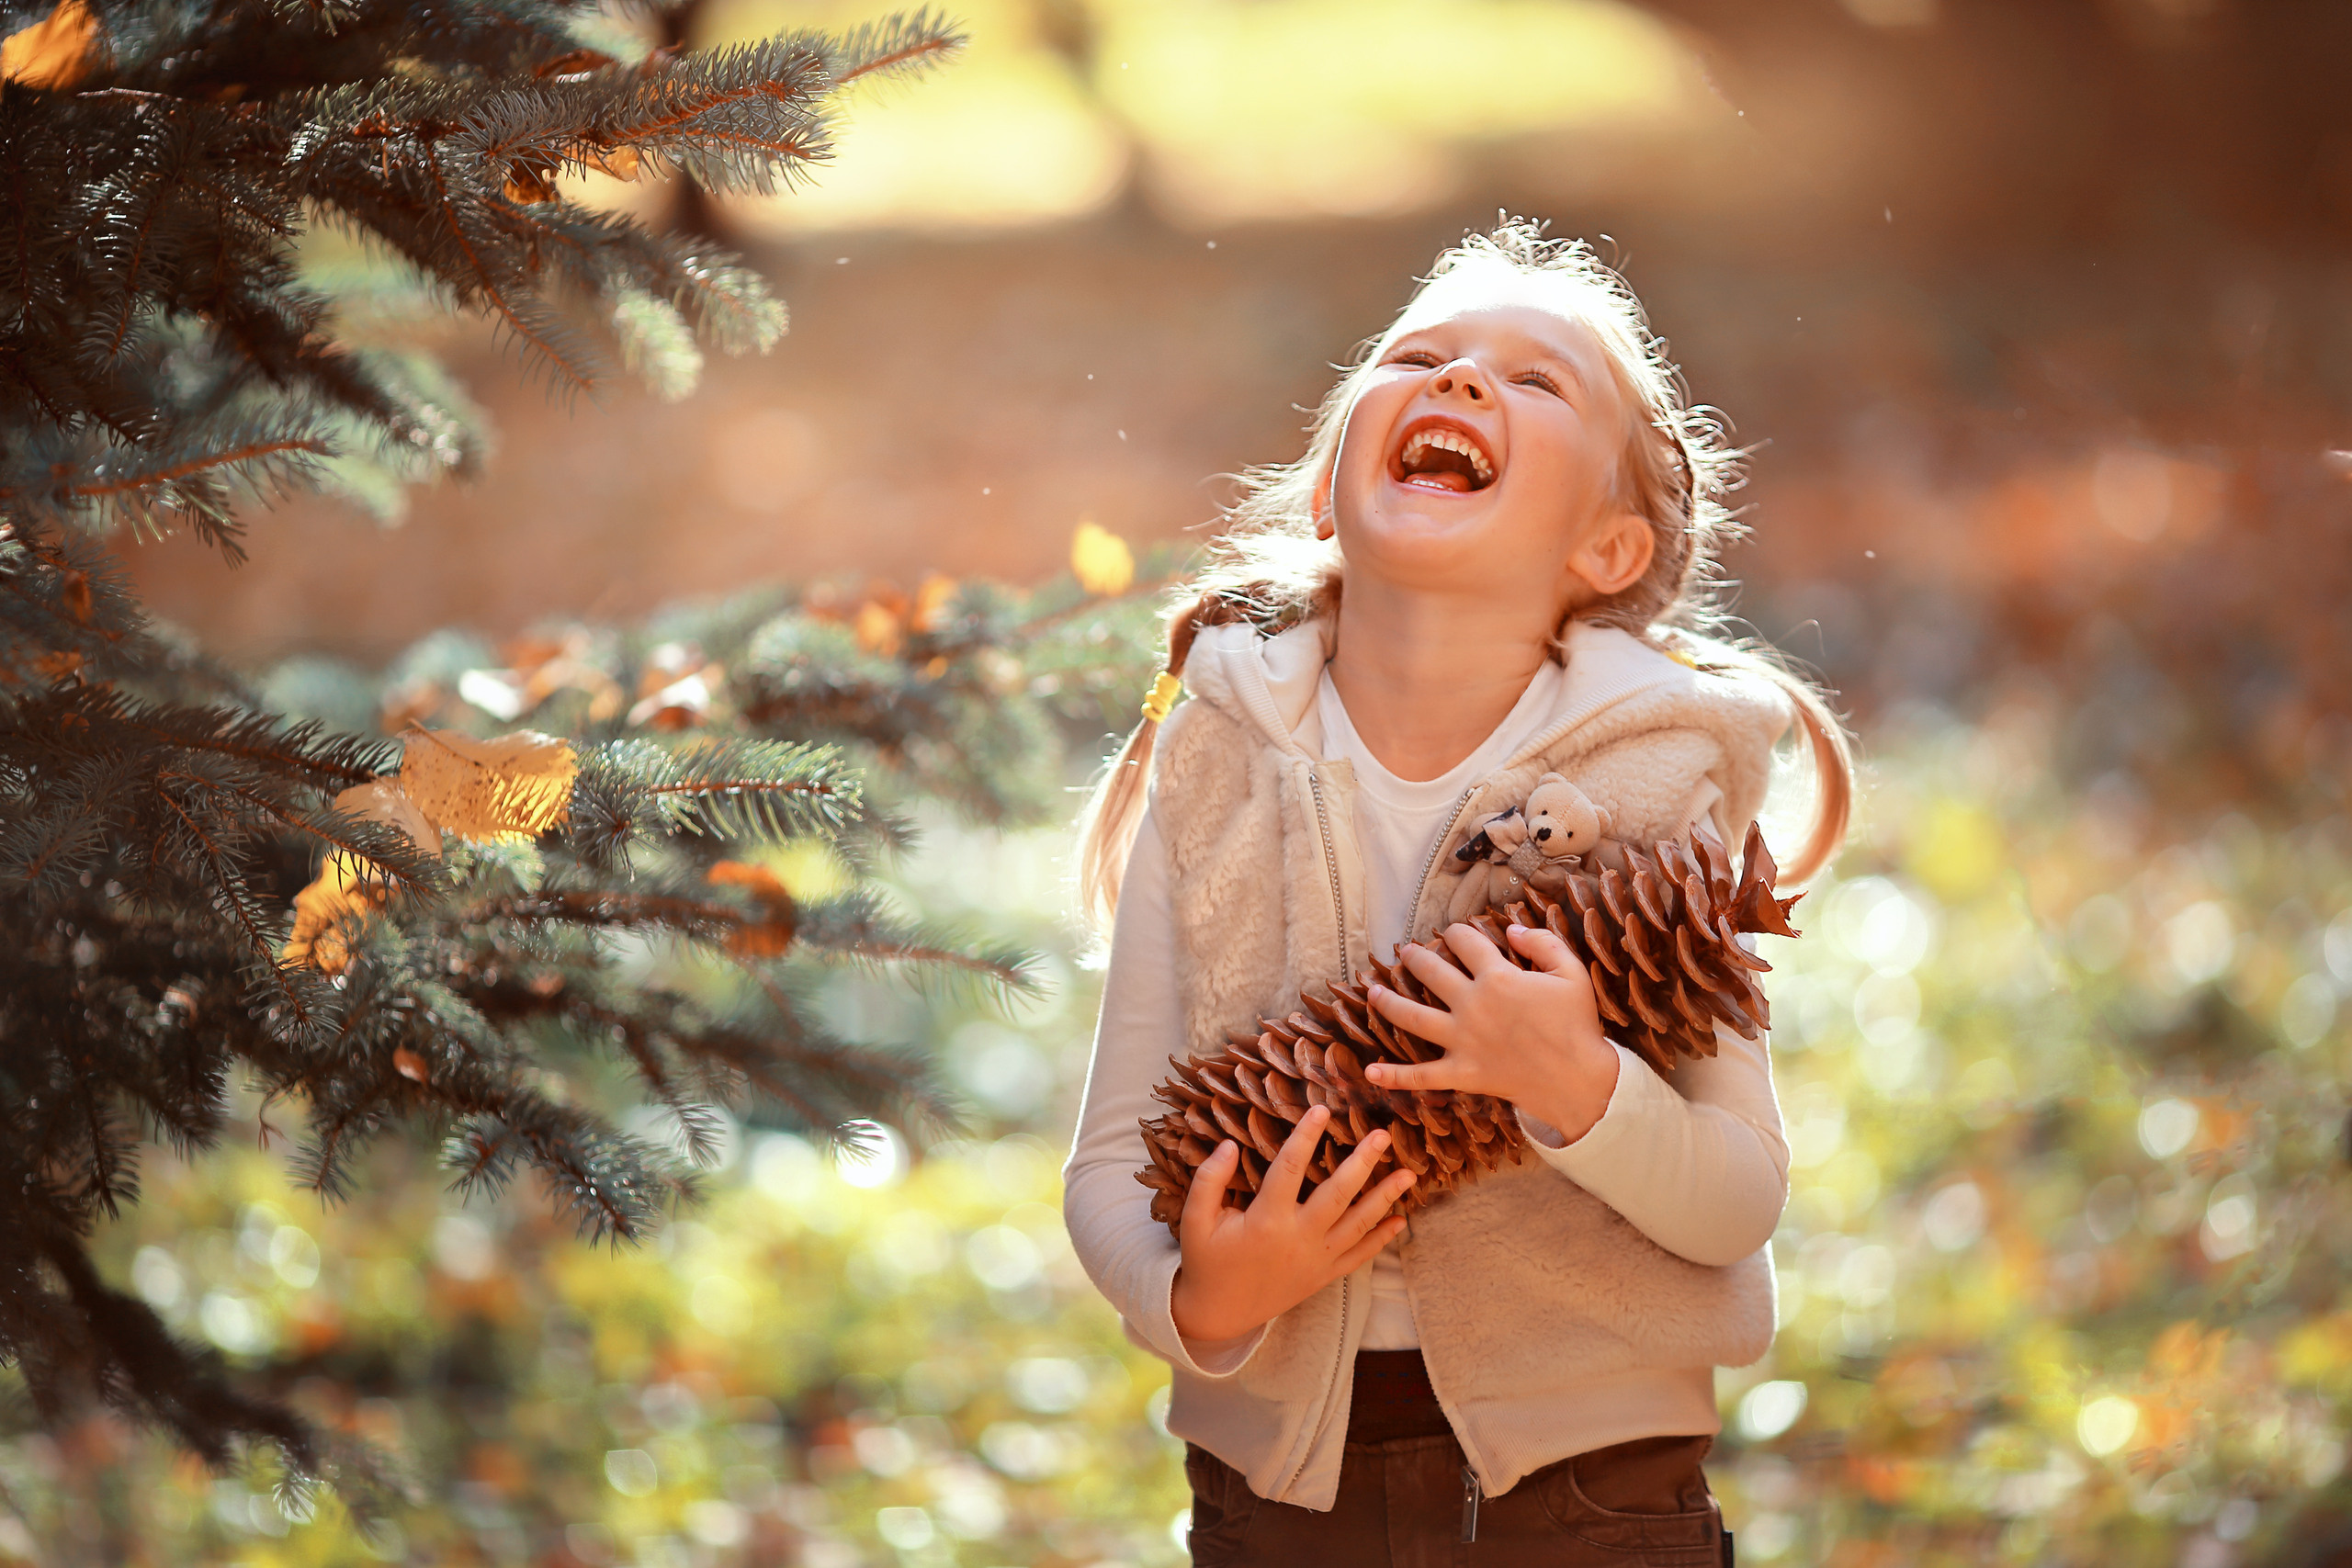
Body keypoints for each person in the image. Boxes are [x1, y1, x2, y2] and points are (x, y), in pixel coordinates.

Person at [1062, 220, 1854, 1565]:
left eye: (1537, 383)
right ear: (1328, 492)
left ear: (1608, 550)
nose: (1464, 382)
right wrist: (1207, 1301)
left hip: (1594, 1490)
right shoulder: (1218, 757)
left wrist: (1577, 1089)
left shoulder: (1660, 795)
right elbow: (1104, 1167)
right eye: (1419, 357)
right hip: (1279, 1500)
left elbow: (1737, 1198)